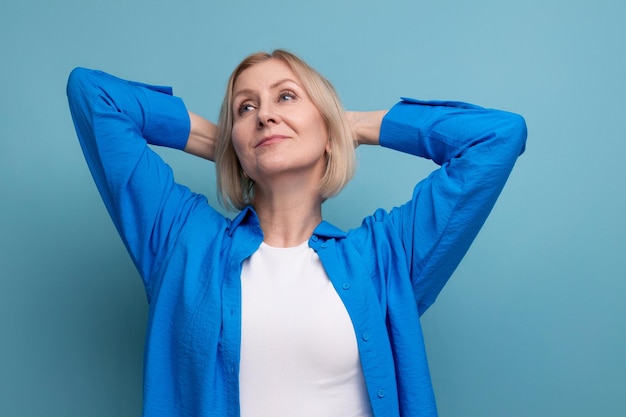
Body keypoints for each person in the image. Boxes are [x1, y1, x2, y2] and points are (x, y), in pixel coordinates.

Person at [66, 49, 527, 417]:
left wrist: (355, 127)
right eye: (246, 108)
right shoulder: (183, 243)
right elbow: (93, 95)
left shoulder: (385, 257)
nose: (265, 116)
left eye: (286, 97)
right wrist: (221, 143)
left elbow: (497, 138)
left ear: (325, 126)